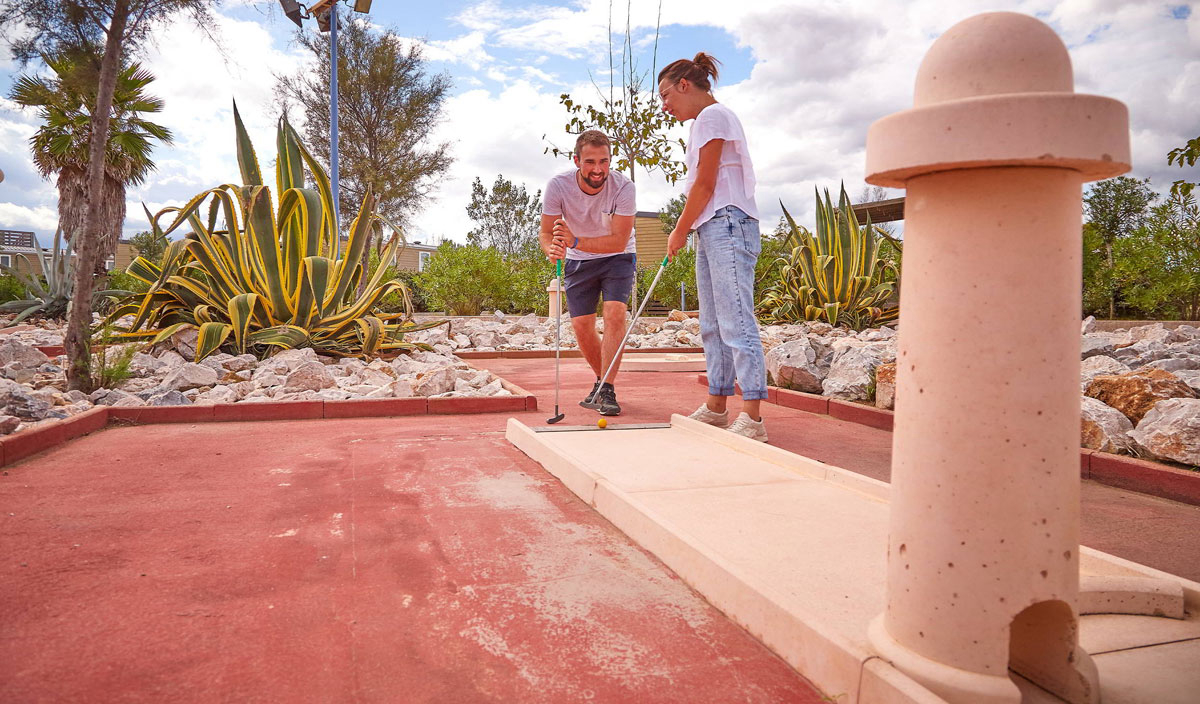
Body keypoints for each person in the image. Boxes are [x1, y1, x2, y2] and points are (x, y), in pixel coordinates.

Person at [660, 52, 769, 441]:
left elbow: (705, 185)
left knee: (737, 319)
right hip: (712, 226)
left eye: (666, 95)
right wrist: (691, 229)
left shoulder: (712, 117)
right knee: (711, 323)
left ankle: (753, 418)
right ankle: (717, 406)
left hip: (728, 221)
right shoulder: (703, 123)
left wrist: (677, 230)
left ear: (685, 85)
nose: (665, 105)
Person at [541, 129, 637, 416]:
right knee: (582, 326)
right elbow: (546, 232)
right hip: (578, 261)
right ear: (577, 161)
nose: (598, 169)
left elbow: (619, 240)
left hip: (617, 257)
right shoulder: (558, 186)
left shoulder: (624, 187)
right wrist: (551, 249)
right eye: (591, 162)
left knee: (615, 313)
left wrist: (575, 241)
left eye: (604, 162)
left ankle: (606, 387)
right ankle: (603, 381)